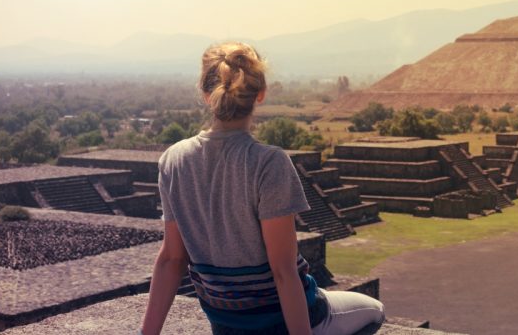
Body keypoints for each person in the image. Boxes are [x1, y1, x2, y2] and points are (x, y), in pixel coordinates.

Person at [140, 42, 385, 335]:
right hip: (283, 320)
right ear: (261, 94)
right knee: (375, 310)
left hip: (226, 322)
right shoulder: (268, 162)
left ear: (206, 95)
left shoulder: (173, 160)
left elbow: (171, 259)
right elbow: (283, 271)